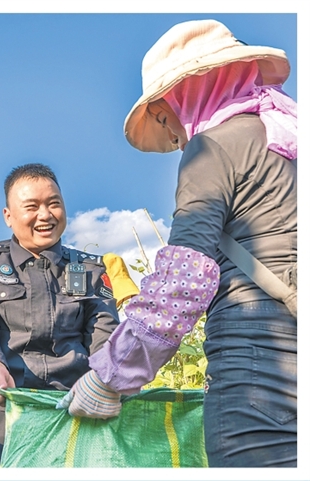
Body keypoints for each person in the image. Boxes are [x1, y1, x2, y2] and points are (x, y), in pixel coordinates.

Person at [64, 19, 297, 467]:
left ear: (183, 93)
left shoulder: (213, 148)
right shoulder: (288, 137)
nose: (171, 133)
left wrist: (109, 377)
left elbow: (182, 283)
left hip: (259, 368)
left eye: (161, 114)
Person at [0, 163, 120, 467]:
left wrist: (101, 382)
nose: (45, 215)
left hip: (72, 407)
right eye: (31, 207)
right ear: (8, 216)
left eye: (53, 204)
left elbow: (104, 335)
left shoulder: (89, 270)